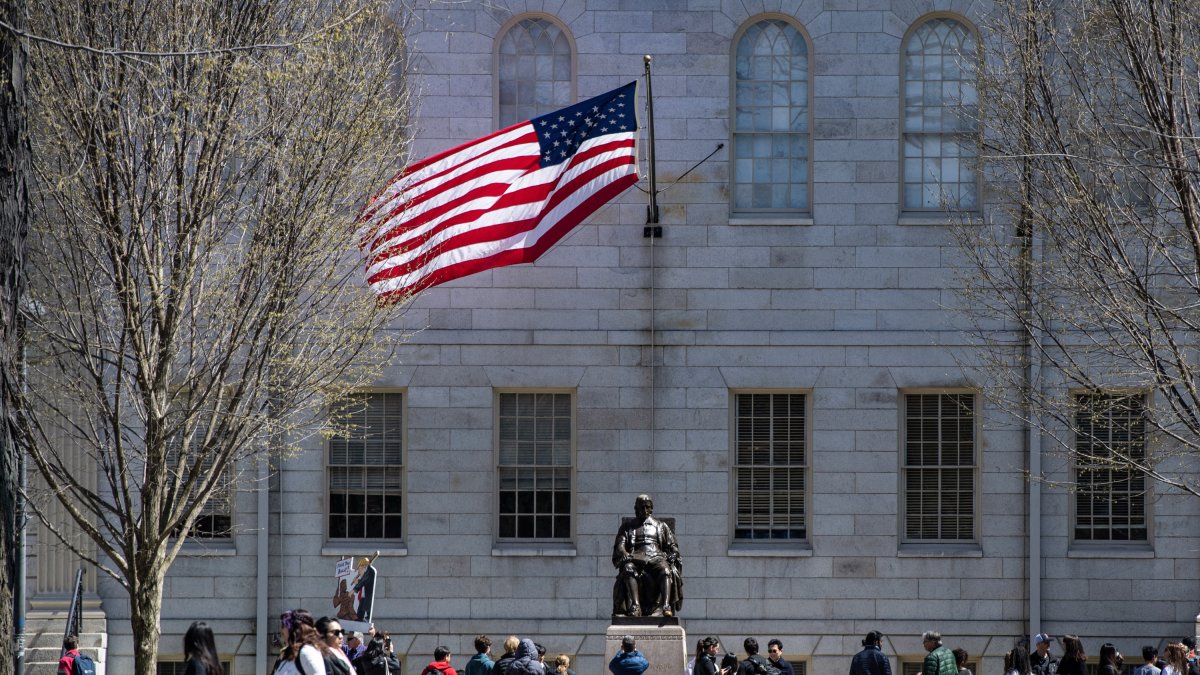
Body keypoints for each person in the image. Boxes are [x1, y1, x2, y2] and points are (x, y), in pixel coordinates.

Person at [612, 494, 683, 617]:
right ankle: (636, 606)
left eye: (647, 507)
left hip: (656, 557)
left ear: (651, 509)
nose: (644, 510)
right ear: (635, 509)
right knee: (627, 568)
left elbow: (673, 545)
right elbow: (620, 544)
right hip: (636, 558)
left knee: (666, 570)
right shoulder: (627, 527)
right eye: (641, 507)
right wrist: (624, 553)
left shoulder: (661, 526)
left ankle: (666, 605)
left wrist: (674, 553)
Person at [274, 609, 326, 675]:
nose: (281, 630)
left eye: (284, 626)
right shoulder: (289, 653)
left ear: (295, 629)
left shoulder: (307, 651)